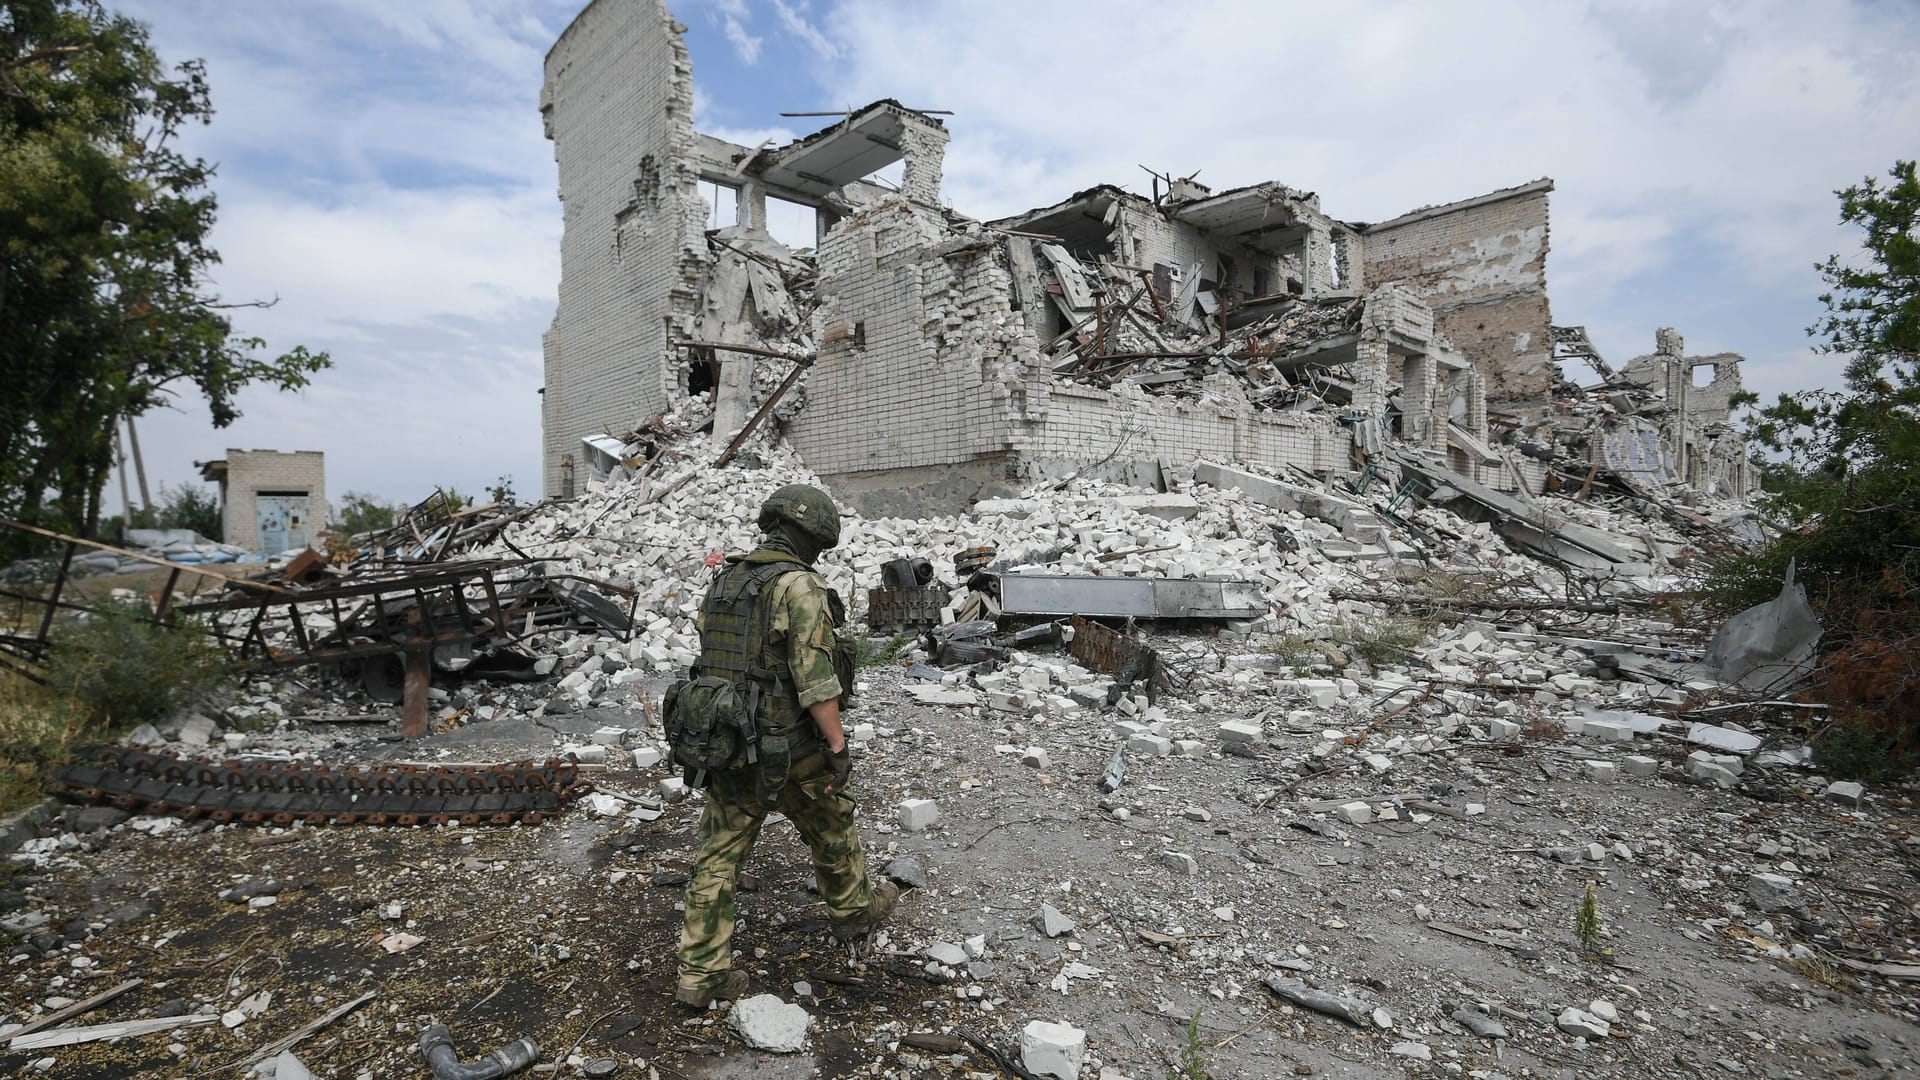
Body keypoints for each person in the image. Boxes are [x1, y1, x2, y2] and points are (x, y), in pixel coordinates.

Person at [674, 483, 901, 1008]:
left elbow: (711, 654)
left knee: (718, 853)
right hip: (791, 748)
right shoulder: (799, 586)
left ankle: (701, 975)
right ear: (814, 537)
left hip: (728, 745)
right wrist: (837, 746)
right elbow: (816, 680)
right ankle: (852, 911)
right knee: (831, 820)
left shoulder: (727, 578)